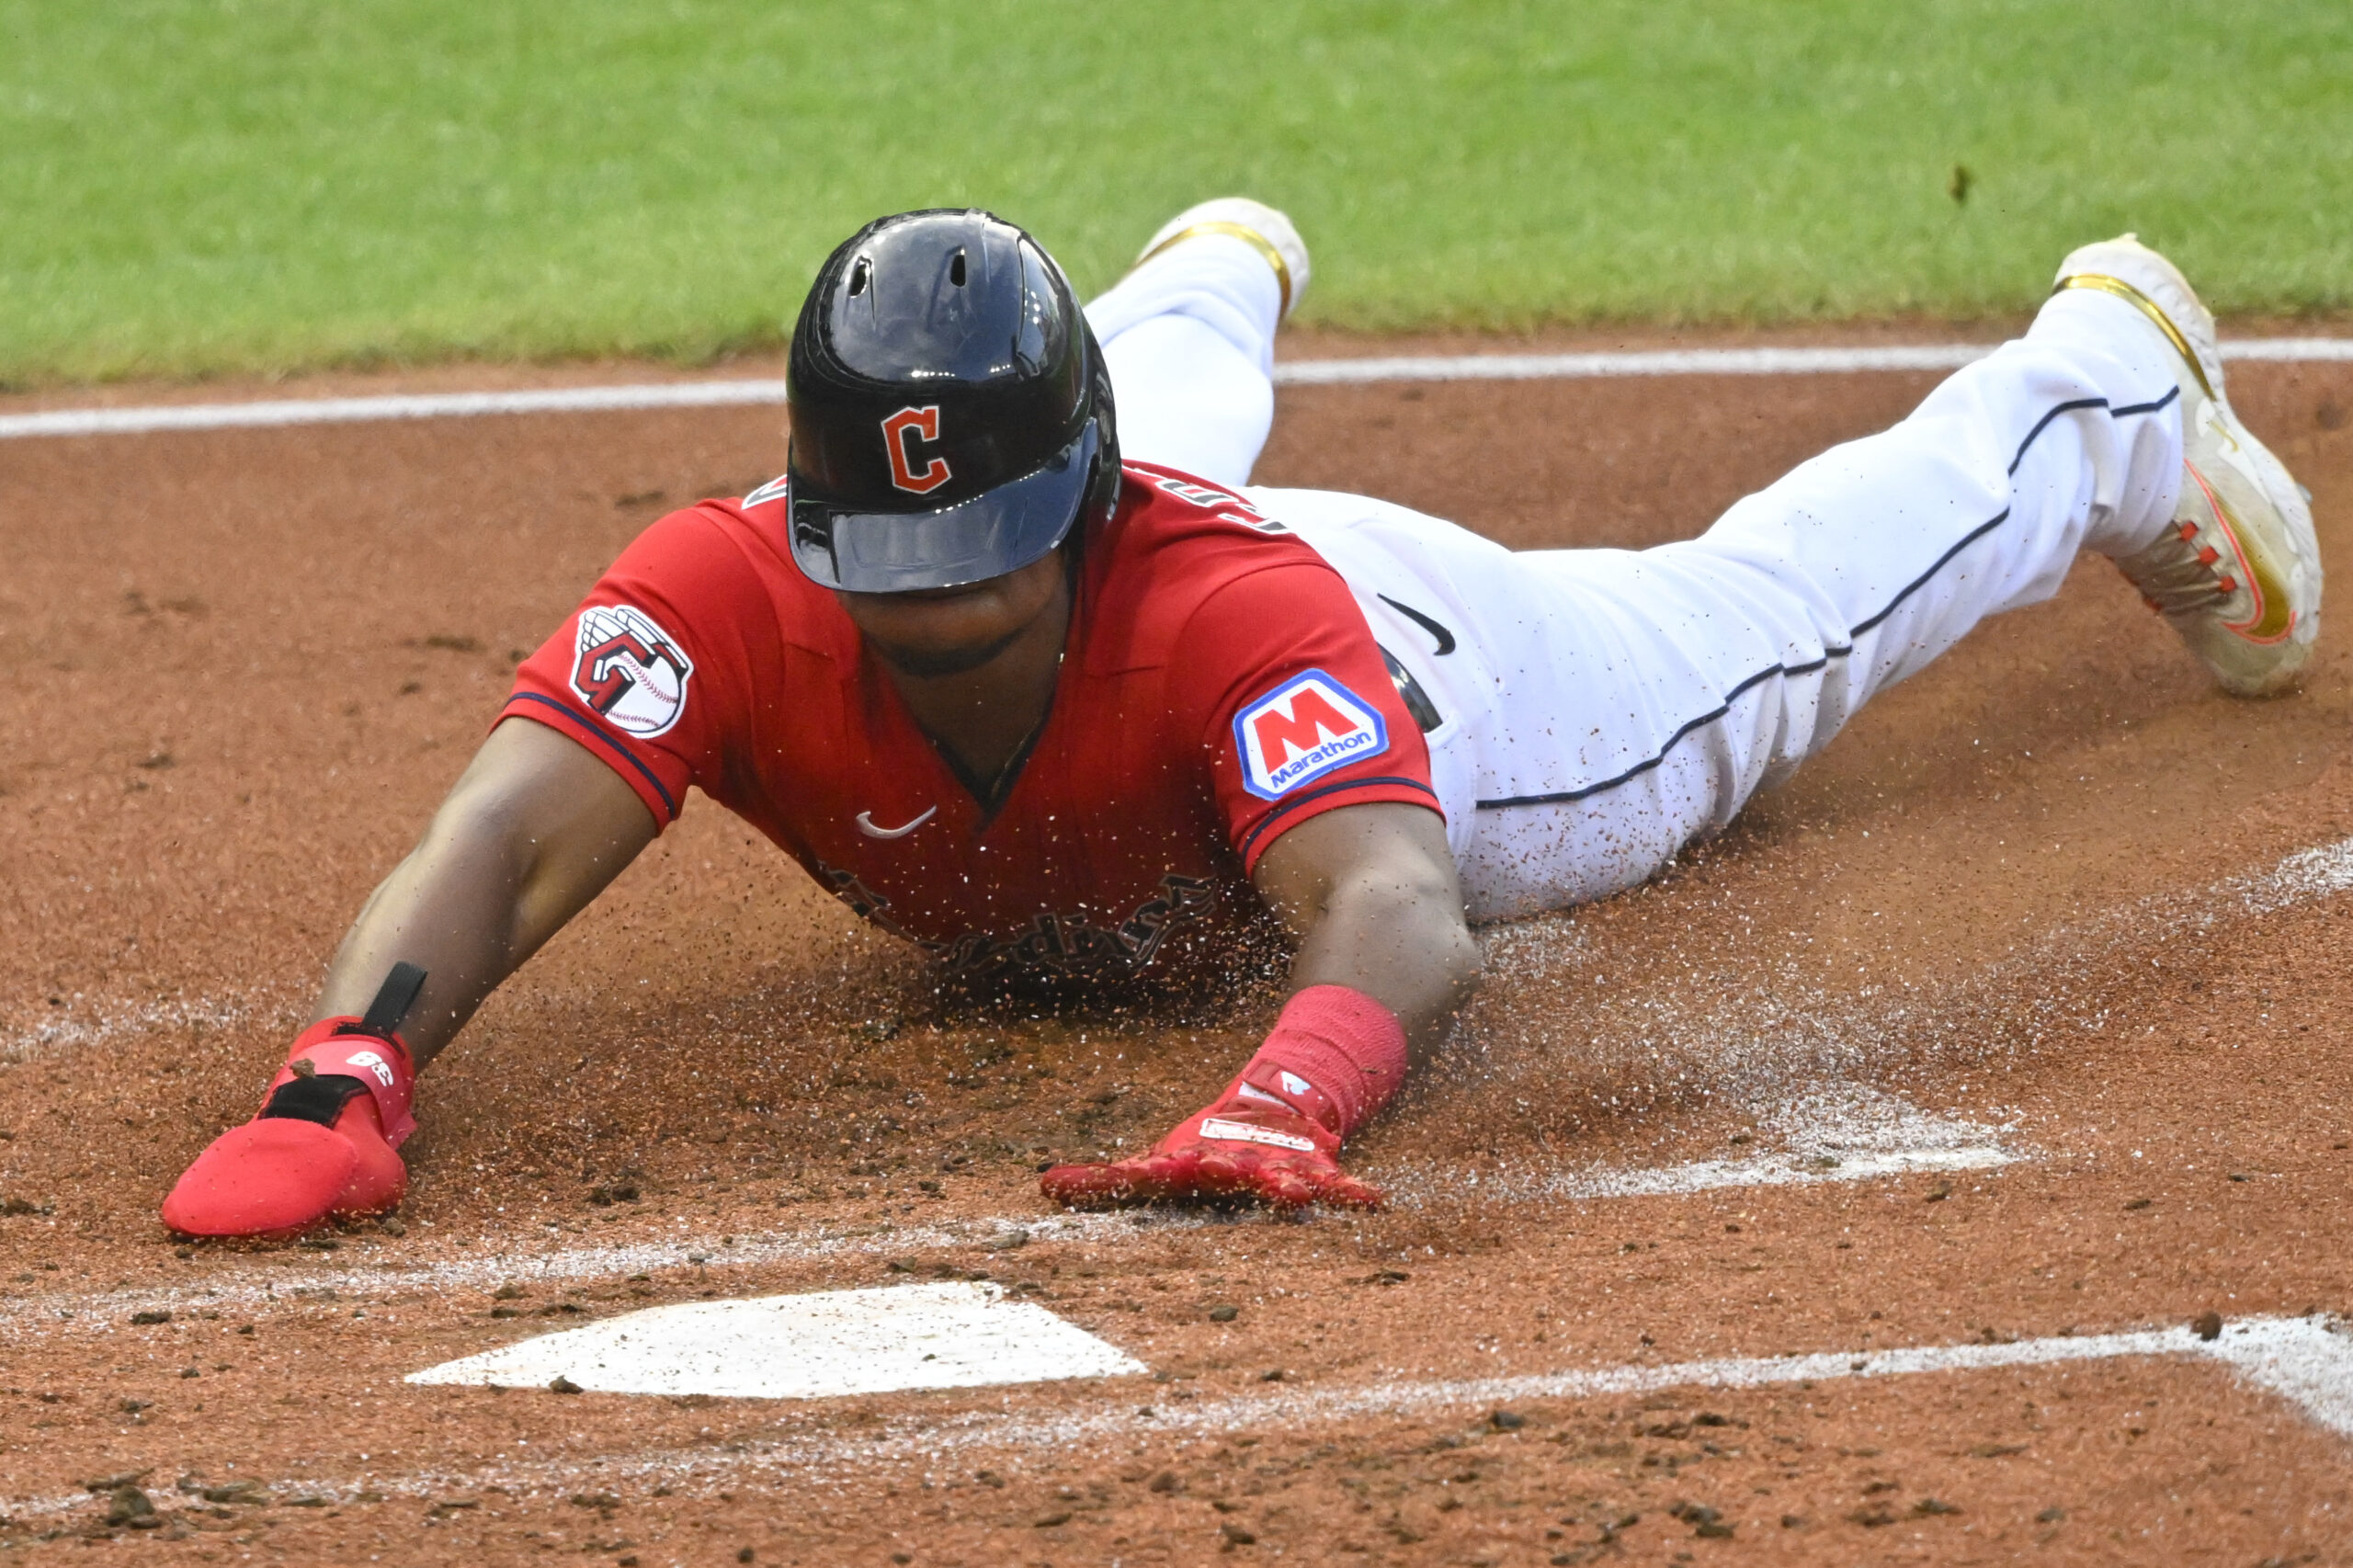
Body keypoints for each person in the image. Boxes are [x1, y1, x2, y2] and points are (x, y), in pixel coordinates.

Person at [161, 201, 2321, 1238]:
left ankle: (2096, 404)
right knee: (1089, 526)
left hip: (1428, 666)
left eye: (994, 546)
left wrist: (1291, 1091)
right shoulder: (732, 582)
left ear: (1075, 502)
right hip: (1171, 560)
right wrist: (347, 1062)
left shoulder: (1224, 606)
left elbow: (1391, 902)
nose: (936, 606)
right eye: (885, 557)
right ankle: (1197, 283)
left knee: (1751, 644)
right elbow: (507, 825)